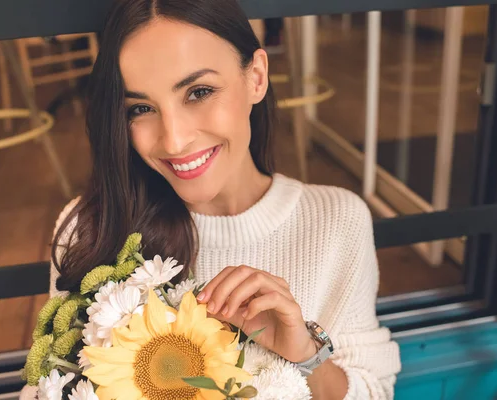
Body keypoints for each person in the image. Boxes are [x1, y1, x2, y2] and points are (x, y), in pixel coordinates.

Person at [21, 0, 401, 398]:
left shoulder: (338, 220)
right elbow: (43, 389)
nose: (174, 139)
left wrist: (304, 353)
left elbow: (375, 390)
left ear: (255, 76)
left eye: (198, 92)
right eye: (141, 108)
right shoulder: (92, 226)